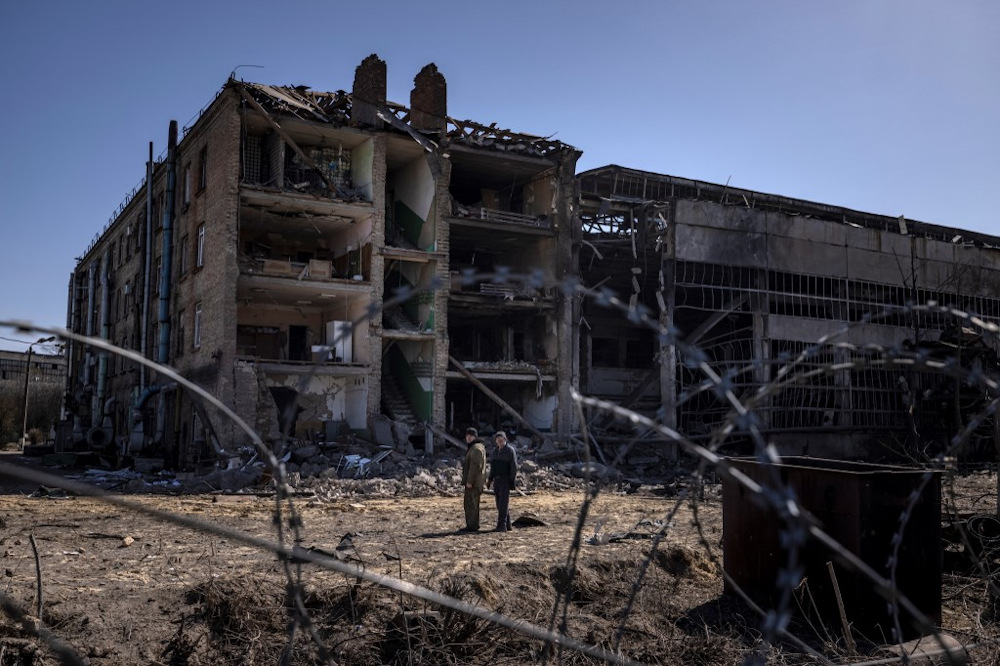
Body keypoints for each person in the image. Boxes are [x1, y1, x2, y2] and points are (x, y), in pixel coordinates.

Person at [486, 430, 517, 532]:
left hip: (505, 479)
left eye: (501, 440)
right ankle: (508, 524)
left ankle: (501, 525)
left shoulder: (509, 451)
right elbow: (493, 468)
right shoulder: (494, 452)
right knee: (499, 504)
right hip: (497, 480)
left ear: (505, 439)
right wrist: (490, 479)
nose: (500, 442)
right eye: (498, 440)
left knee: (503, 503)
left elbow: (513, 466)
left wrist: (512, 480)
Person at [459, 427, 487, 532]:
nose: (469, 438)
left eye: (471, 436)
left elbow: (475, 466)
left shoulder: (476, 448)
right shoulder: (475, 447)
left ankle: (472, 526)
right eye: (467, 435)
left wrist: (469, 481)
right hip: (475, 482)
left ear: (475, 437)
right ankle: (471, 525)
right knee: (470, 504)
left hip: (474, 483)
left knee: (471, 504)